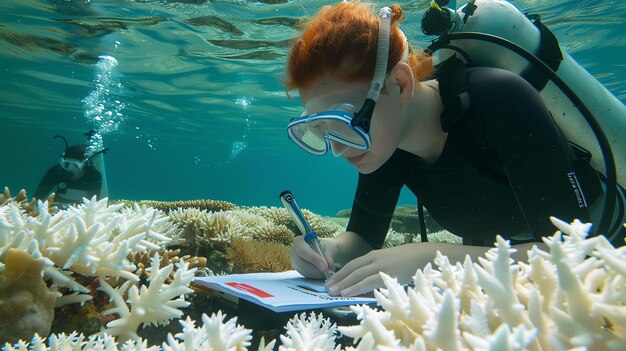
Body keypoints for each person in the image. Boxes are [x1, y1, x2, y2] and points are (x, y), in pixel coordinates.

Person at [284, 2, 626, 297]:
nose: (340, 149)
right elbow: (362, 238)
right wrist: (326, 251)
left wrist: (434, 258)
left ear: (401, 84)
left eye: (345, 121)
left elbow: (572, 251)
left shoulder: (499, 99)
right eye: (322, 130)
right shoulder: (384, 143)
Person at [34, 136, 104, 205]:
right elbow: (38, 196)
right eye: (66, 164)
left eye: (75, 165)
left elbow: (92, 203)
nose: (70, 169)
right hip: (56, 209)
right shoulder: (57, 171)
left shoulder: (94, 176)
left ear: (85, 165)